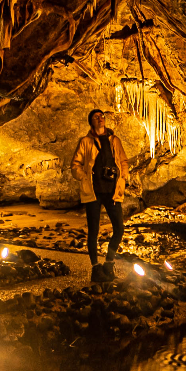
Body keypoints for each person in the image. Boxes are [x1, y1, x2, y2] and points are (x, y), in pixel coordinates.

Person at [72, 109, 129, 278]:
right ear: (91, 122)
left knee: (119, 228)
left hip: (113, 191)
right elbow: (75, 164)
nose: (101, 119)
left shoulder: (114, 140)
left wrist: (123, 176)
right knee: (93, 231)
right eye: (96, 117)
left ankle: (109, 263)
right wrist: (83, 177)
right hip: (93, 192)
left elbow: (123, 161)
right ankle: (96, 268)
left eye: (102, 116)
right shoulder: (85, 142)